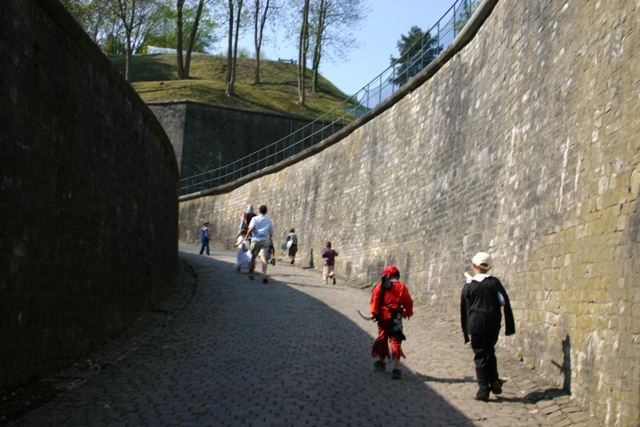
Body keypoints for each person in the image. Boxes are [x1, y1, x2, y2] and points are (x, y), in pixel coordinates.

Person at [460, 252, 515, 401]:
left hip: (476, 323)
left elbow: (465, 309)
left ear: (473, 266)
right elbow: (503, 301)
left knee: (480, 354)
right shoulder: (494, 283)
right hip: (492, 321)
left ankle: (483, 389)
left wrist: (466, 330)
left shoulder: (469, 286)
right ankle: (494, 380)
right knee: (490, 350)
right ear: (489, 267)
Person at [369, 266, 413, 379]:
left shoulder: (380, 286)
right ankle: (396, 368)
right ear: (397, 276)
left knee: (382, 337)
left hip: (383, 315)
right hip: (396, 316)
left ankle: (381, 361)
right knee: (395, 340)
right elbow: (408, 301)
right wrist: (407, 312)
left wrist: (373, 313)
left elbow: (375, 299)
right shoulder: (402, 287)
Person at [246, 205, 274, 283]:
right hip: (265, 240)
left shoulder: (254, 219)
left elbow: (251, 229)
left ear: (259, 211)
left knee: (253, 257)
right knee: (263, 258)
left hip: (256, 240)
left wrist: (246, 237)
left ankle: (252, 273)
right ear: (266, 211)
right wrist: (269, 239)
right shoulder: (268, 220)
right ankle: (264, 274)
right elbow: (271, 233)